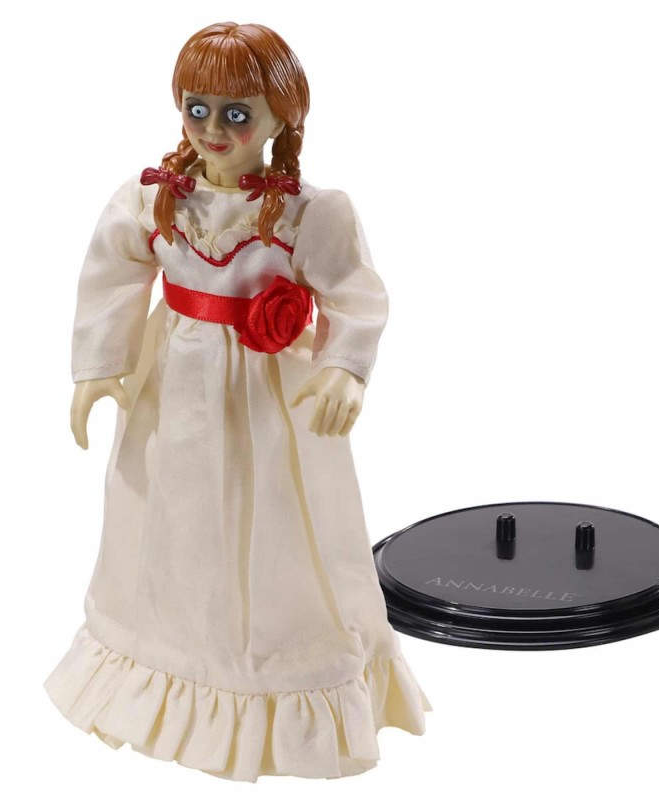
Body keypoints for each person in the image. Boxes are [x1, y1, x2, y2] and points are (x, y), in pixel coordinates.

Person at [45, 21, 430, 782]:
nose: (212, 129)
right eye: (197, 109)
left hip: (268, 399)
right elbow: (114, 270)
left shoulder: (306, 213)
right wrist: (99, 365)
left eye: (236, 114)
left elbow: (354, 293)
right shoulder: (157, 199)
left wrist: (345, 368)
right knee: (172, 519)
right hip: (173, 390)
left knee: (279, 523)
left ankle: (275, 670)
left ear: (282, 116)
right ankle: (168, 653)